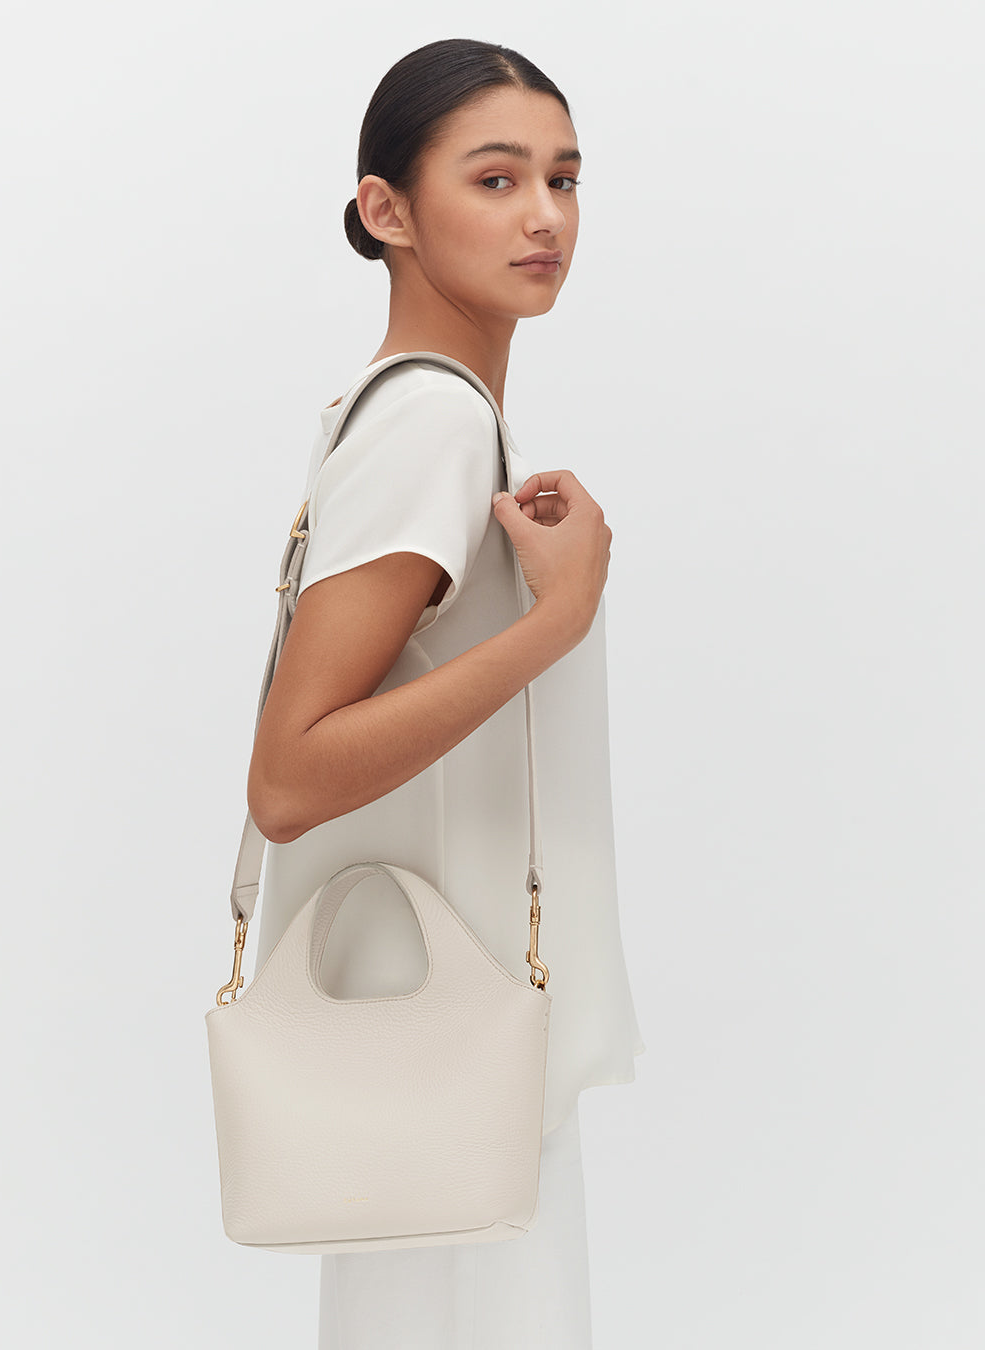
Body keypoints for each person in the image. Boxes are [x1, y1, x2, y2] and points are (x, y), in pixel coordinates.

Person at [245, 37, 646, 1350]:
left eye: (564, 179)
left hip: (425, 1023)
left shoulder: (423, 413)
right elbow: (290, 776)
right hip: (446, 1038)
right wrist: (557, 620)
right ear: (388, 210)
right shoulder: (436, 422)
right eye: (495, 178)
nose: (545, 217)